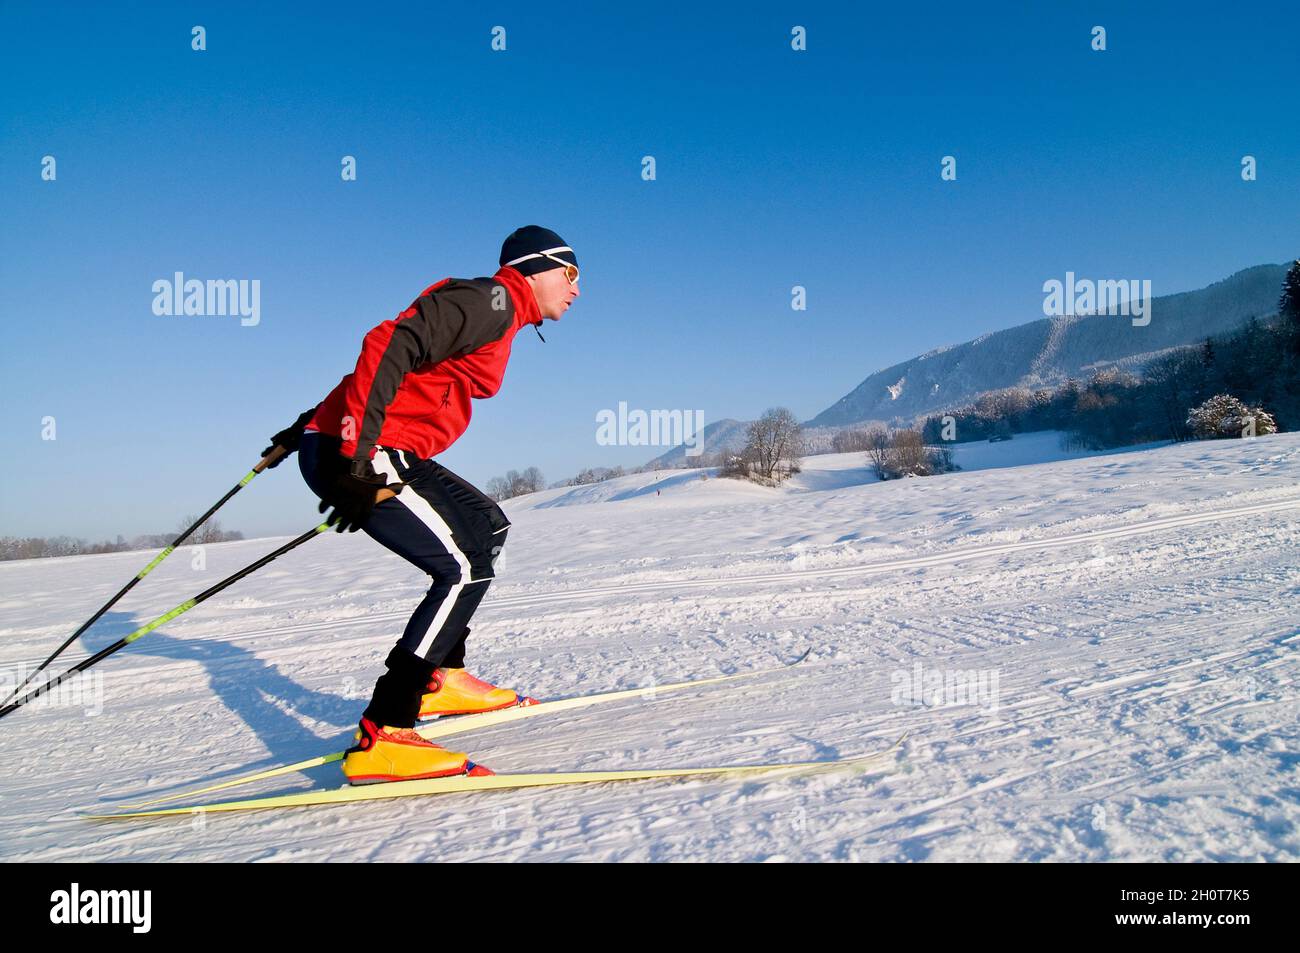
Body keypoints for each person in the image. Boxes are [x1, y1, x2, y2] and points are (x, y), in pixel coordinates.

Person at [260, 226, 580, 783]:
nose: (577, 289)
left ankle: (443, 679)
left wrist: (302, 426)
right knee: (463, 569)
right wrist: (352, 457)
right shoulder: (493, 300)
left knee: (487, 525)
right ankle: (387, 729)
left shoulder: (501, 310)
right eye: (570, 274)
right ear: (536, 268)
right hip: (367, 452)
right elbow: (388, 343)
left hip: (373, 446)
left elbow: (398, 359)